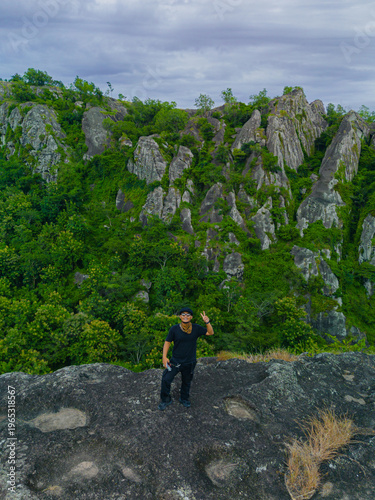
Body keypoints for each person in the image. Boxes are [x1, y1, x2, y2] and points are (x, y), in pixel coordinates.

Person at [158, 307, 214, 410]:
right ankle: (165, 399)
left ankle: (184, 398)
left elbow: (210, 333)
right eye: (183, 314)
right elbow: (167, 342)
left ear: (191, 317)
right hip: (175, 361)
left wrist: (207, 322)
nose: (185, 316)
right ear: (180, 316)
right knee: (166, 379)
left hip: (189, 361)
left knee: (186, 381)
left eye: (188, 315)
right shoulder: (174, 329)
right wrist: (164, 357)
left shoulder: (196, 328)